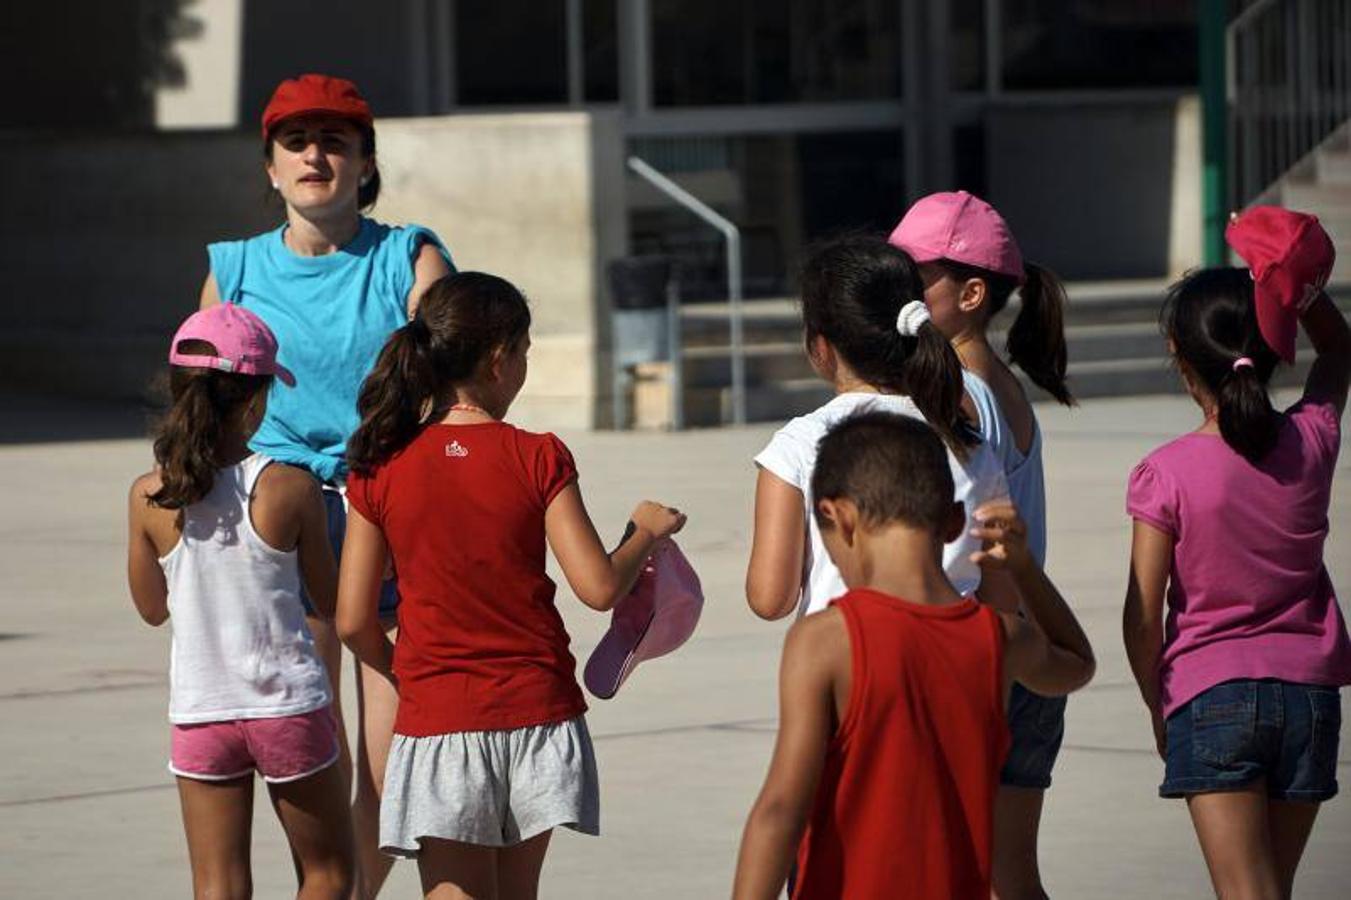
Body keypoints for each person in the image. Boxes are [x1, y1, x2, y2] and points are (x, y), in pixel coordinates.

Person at [335, 272, 686, 899]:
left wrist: (402, 671)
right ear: (500, 360)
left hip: (439, 718)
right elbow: (599, 586)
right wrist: (645, 531)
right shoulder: (537, 455)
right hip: (537, 712)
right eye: (525, 352)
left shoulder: (380, 468)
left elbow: (353, 620)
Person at [199, 72, 454, 898]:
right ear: (269, 167)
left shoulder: (410, 255)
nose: (316, 155)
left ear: (365, 162)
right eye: (297, 142)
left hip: (388, 521)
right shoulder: (232, 270)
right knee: (310, 753)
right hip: (276, 528)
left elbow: (454, 378)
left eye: (336, 141)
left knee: (390, 766)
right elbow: (200, 410)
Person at [732, 412, 1095, 900]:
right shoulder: (999, 637)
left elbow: (781, 808)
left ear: (840, 519)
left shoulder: (826, 641)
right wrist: (1024, 568)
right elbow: (1076, 662)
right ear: (953, 522)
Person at [1123, 207, 1351, 900]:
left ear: (1177, 353)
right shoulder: (1310, 440)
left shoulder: (1164, 472)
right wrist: (1295, 291)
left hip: (1210, 693)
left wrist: (1157, 707)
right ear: (1273, 345)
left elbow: (1141, 614)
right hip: (1309, 696)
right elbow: (1339, 353)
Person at [126, 304, 353, 899]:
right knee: (330, 873)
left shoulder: (150, 494)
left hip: (201, 710)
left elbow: (152, 608)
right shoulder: (291, 487)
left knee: (217, 885)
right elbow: (330, 603)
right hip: (286, 707)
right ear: (256, 402)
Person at [891, 190, 1075, 899]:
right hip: (1025, 651)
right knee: (1011, 873)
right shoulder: (1003, 386)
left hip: (977, 654)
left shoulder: (959, 393)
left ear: (970, 293)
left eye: (915, 277)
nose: (898, 291)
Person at [746, 234, 1021, 624]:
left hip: (850, 663)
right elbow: (1002, 599)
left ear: (820, 345)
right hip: (953, 665)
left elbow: (770, 599)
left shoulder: (798, 445)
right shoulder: (967, 440)